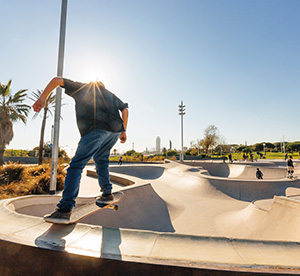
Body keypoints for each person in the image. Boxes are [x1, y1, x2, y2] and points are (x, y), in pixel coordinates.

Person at [33, 77, 129, 223]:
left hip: (96, 130)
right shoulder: (110, 94)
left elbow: (57, 80)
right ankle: (107, 193)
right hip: (114, 132)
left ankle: (65, 209)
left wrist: (42, 98)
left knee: (76, 166)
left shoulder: (83, 88)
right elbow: (125, 110)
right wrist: (124, 131)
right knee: (101, 160)